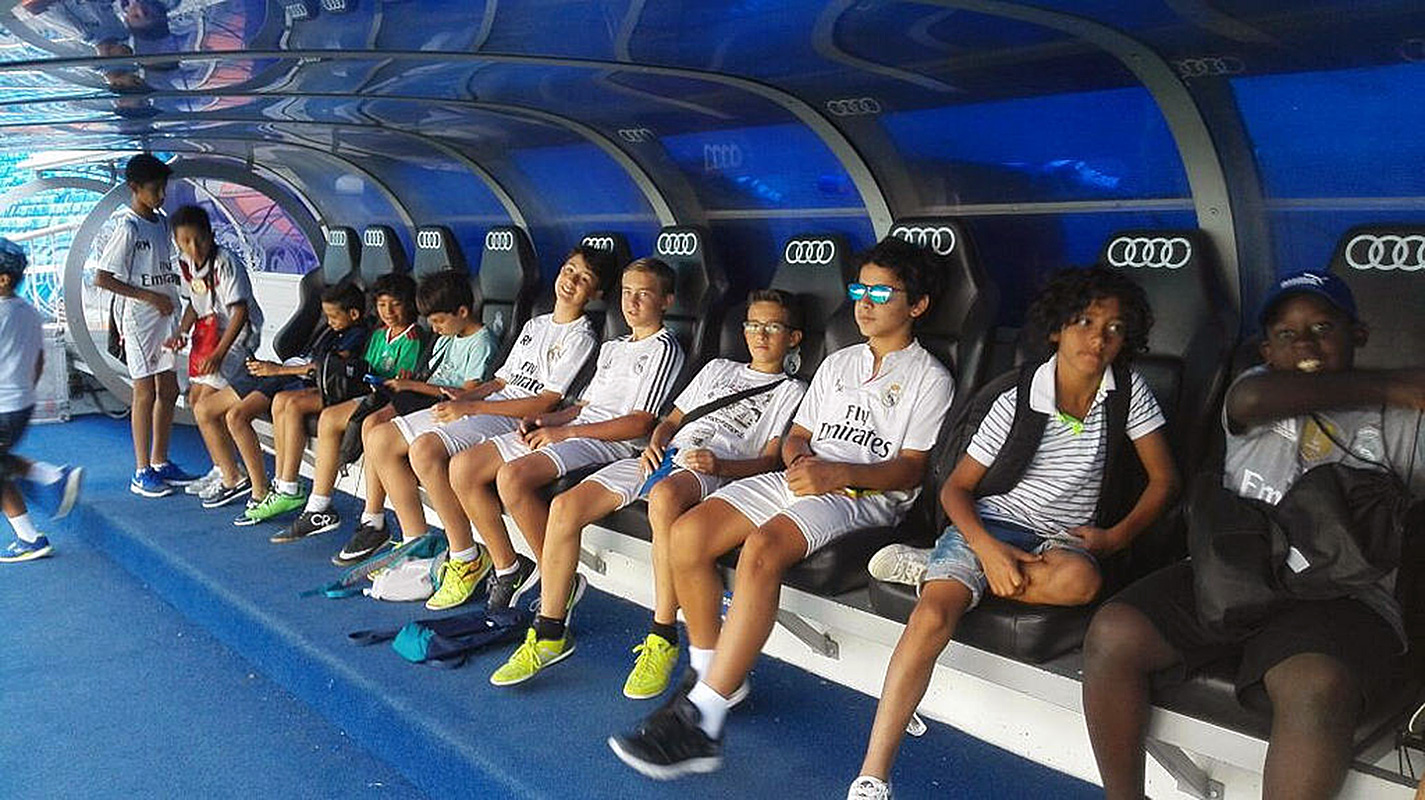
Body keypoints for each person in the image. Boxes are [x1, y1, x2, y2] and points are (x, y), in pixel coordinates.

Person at [608, 237, 955, 779]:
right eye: (860, 291)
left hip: (863, 495)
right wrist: (801, 461)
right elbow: (798, 436)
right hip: (804, 476)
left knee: (763, 548)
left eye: (881, 293)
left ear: (918, 305)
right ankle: (712, 675)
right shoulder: (839, 362)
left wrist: (837, 474)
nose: (864, 303)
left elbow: (911, 470)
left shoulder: (929, 378)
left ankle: (704, 719)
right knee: (686, 536)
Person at [1082, 269, 1425, 800]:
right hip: (1236, 568)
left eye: (1323, 327)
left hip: (1345, 592)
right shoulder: (1255, 388)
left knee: (1314, 684)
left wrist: (1399, 398)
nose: (1304, 343)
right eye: (1286, 334)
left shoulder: (1403, 418)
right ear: (1266, 349)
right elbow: (1251, 400)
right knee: (1114, 631)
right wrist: (1392, 384)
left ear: (1357, 334)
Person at [846, 267, 1178, 799]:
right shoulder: (1019, 396)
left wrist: (1115, 538)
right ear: (1057, 329)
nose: (1098, 339)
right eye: (1085, 322)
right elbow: (956, 490)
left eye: (1114, 328)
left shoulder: (1127, 393)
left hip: (1061, 540)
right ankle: (873, 773)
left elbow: (1165, 480)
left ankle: (941, 569)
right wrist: (987, 549)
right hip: (991, 524)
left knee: (1081, 582)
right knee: (932, 615)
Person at [498, 289, 807, 695]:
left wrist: (721, 466)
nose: (759, 335)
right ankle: (550, 631)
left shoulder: (791, 389)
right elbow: (671, 421)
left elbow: (769, 461)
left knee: (663, 496)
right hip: (665, 457)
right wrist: (657, 443)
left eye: (772, 327)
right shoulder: (717, 367)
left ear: (793, 337)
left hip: (713, 466)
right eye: (752, 325)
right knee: (565, 507)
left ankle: (663, 635)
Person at [434, 257, 683, 623]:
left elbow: (638, 423)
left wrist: (564, 431)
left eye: (643, 294)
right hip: (577, 428)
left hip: (610, 443)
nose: (631, 302)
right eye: (627, 292)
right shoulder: (613, 346)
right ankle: (517, 569)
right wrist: (544, 420)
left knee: (512, 477)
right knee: (463, 467)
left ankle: (557, 584)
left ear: (666, 301)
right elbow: (583, 407)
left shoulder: (663, 347)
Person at [342, 246, 611, 566]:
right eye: (569, 270)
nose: (572, 281)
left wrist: (472, 409)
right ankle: (416, 547)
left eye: (584, 279)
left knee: (424, 450)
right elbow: (500, 382)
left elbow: (546, 402)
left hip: (517, 416)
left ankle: (464, 556)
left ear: (596, 293)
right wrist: (465, 398)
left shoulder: (581, 336)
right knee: (379, 438)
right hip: (490, 404)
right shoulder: (534, 325)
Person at [311, 269, 496, 557]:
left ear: (462, 312)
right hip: (421, 396)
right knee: (371, 425)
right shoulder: (448, 336)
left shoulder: (481, 341)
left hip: (446, 405)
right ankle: (381, 523)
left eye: (439, 321)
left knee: (377, 429)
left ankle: (394, 528)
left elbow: (467, 394)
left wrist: (411, 384)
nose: (435, 328)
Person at [255, 273, 425, 538]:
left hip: (386, 399)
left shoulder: (414, 337)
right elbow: (364, 367)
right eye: (382, 305)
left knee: (329, 418)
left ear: (409, 305)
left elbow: (400, 382)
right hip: (362, 391)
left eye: (395, 305)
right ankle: (306, 499)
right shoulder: (379, 334)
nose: (388, 312)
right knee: (290, 402)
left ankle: (322, 507)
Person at [92, 153, 200, 497]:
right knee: (145, 391)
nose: (162, 195)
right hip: (140, 319)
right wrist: (149, 296)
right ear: (134, 188)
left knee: (168, 390)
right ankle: (141, 471)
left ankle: (160, 461)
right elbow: (103, 278)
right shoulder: (128, 227)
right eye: (155, 189)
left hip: (167, 316)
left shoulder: (164, 223)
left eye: (164, 188)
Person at [222, 282, 367, 522]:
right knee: (279, 401)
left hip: (326, 386)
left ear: (353, 314)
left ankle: (289, 486)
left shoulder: (357, 334)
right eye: (327, 316)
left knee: (291, 404)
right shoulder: (331, 330)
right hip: (295, 374)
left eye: (333, 317)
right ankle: (282, 484)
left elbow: (327, 367)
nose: (329, 321)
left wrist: (278, 370)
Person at [161, 204, 263, 509]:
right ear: (177, 242)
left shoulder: (226, 263)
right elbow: (195, 304)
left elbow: (239, 313)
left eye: (199, 240)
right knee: (195, 400)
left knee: (205, 405)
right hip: (208, 336)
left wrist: (219, 354)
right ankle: (222, 467)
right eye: (186, 241)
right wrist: (181, 332)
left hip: (235, 339)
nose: (194, 248)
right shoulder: (185, 264)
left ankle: (234, 477)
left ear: (211, 235)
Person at [0, 238, 83, 563]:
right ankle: (51, 477)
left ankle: (31, 536)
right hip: (20, 403)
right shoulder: (29, 313)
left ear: (4, 278)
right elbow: (37, 361)